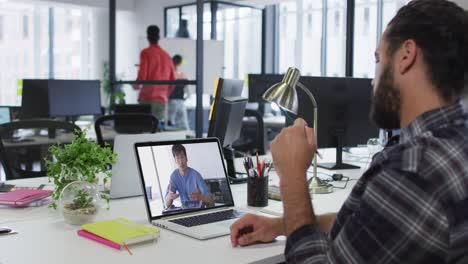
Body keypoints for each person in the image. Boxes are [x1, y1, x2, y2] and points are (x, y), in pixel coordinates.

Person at [230, 0, 468, 263]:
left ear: (405, 55)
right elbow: (375, 227)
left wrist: (293, 176)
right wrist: (282, 225)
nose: (372, 79)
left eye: (378, 59)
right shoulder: (454, 144)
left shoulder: (413, 170)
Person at [134, 25, 175, 123]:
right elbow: (173, 81)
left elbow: (142, 76)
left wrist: (135, 85)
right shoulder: (166, 55)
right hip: (161, 99)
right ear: (159, 37)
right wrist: (165, 94)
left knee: (144, 129)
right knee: (157, 130)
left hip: (146, 98)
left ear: (147, 37)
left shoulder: (146, 53)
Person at [165, 144, 214, 208]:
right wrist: (170, 196)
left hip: (197, 211)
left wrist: (201, 196)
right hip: (184, 212)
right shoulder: (174, 176)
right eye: (177, 158)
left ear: (186, 158)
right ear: (175, 160)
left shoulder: (196, 175)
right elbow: (167, 204)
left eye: (182, 157)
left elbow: (211, 200)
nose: (181, 161)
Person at [168, 55, 190, 130]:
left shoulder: (169, 74)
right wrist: (185, 99)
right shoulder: (183, 75)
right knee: (183, 124)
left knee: (170, 123)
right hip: (180, 102)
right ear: (180, 63)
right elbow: (188, 93)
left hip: (171, 101)